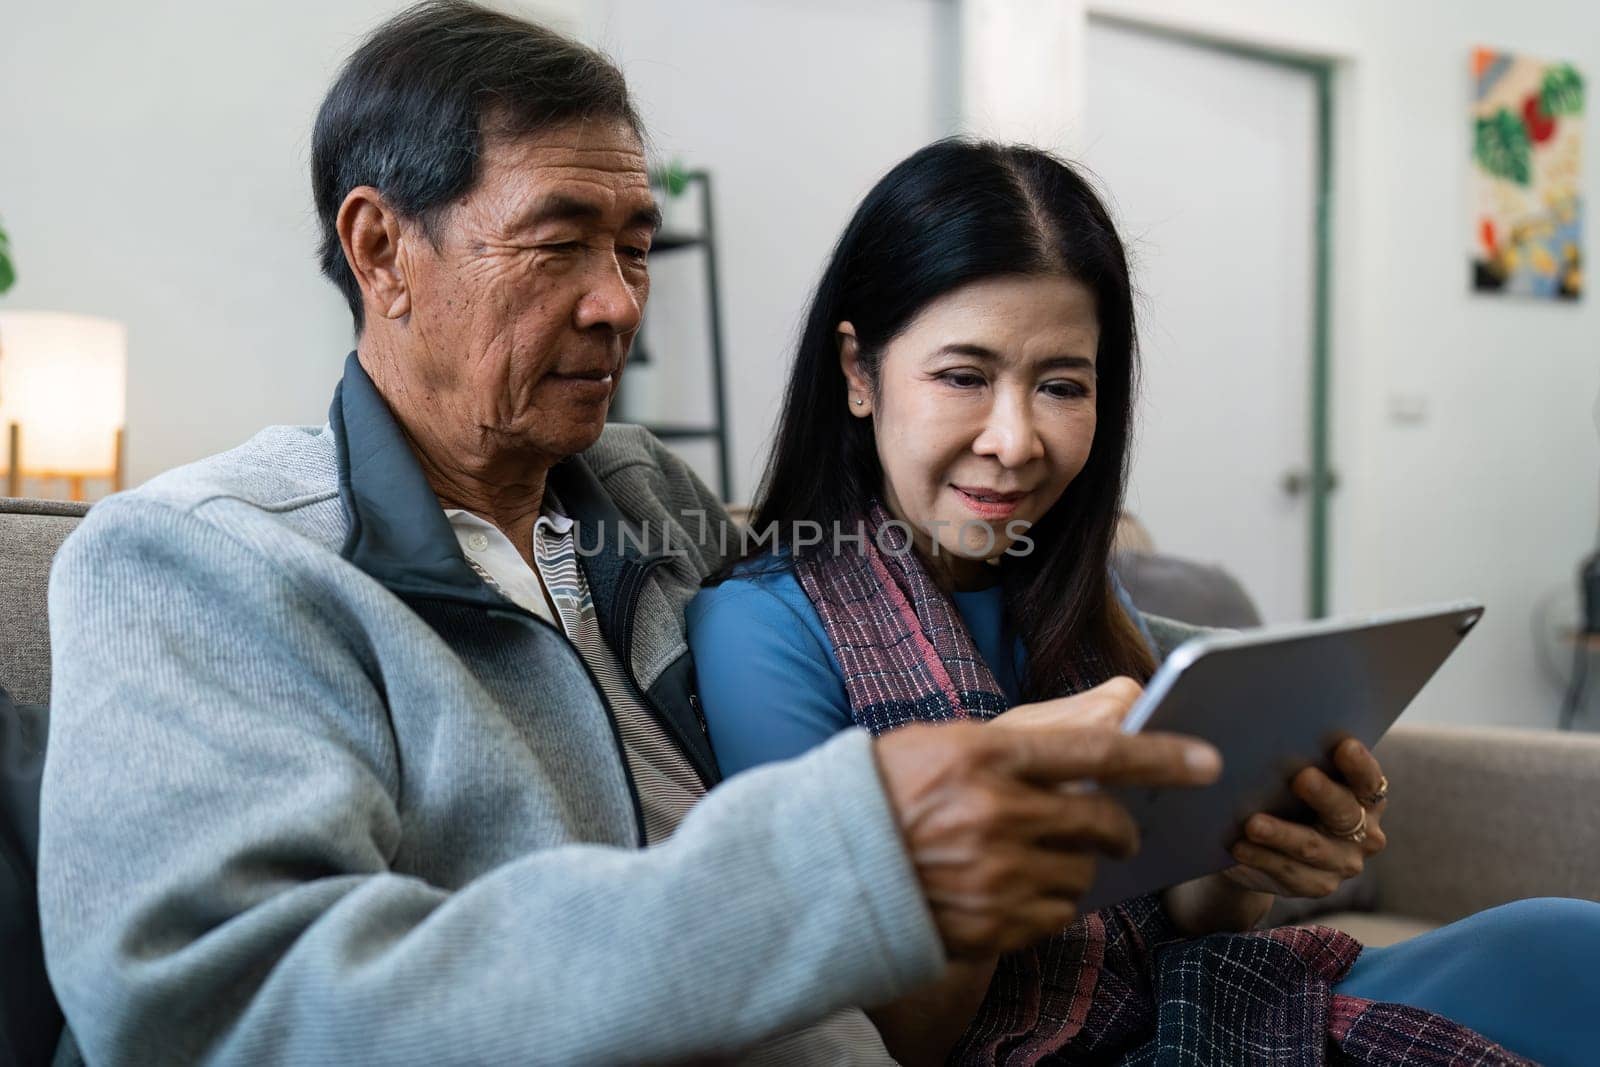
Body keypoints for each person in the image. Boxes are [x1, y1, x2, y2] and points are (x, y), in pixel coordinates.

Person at [37, 5, 1228, 1064]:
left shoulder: (638, 492)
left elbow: (892, 592)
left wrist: (1231, 716)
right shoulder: (203, 560)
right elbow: (214, 1006)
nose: (617, 304)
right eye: (559, 244)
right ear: (380, 250)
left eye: (635, 247)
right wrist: (847, 858)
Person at [687, 139, 1600, 1066]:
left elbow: (1183, 922)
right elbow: (864, 1037)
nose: (1014, 440)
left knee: (1566, 942)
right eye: (963, 376)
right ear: (858, 372)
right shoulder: (764, 630)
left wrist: (1239, 862)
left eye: (1061, 386)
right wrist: (988, 844)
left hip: (1205, 1007)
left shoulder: (1073, 591)